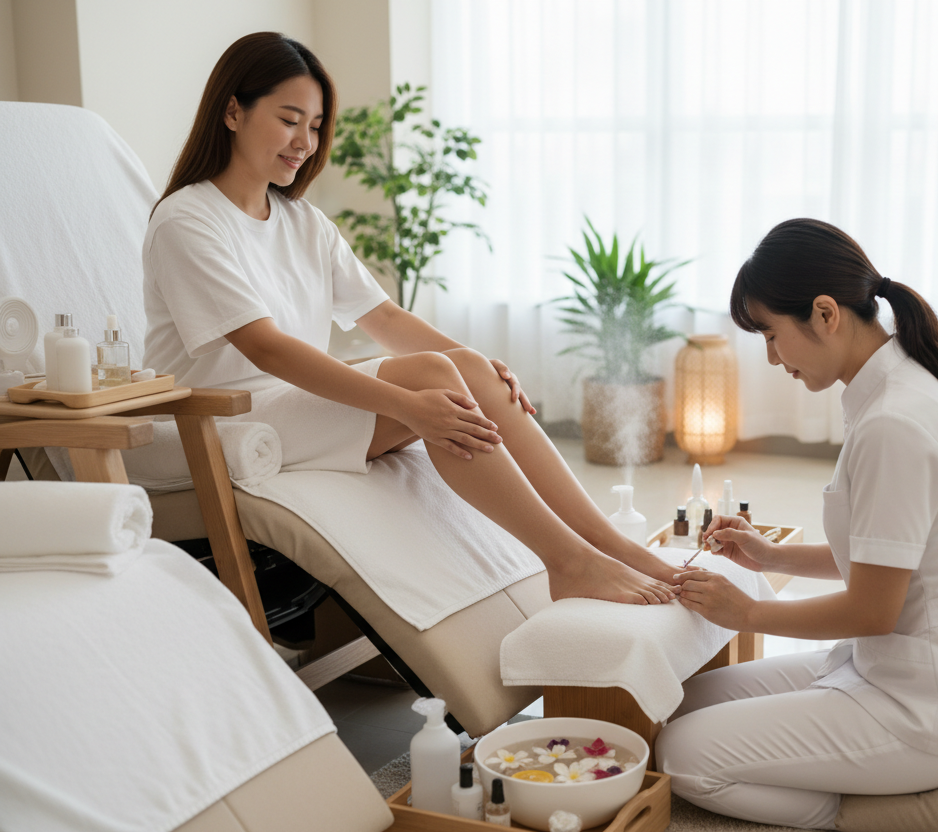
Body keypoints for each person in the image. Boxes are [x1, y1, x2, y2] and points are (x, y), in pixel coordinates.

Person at [142, 32, 678, 605]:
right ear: (232, 110)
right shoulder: (188, 221)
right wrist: (405, 406)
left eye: (316, 125)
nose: (305, 141)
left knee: (464, 368)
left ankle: (610, 545)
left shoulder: (301, 222)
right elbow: (266, 349)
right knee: (428, 379)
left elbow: (384, 317)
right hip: (221, 418)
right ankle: (568, 561)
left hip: (288, 404)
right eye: (289, 119)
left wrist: (479, 367)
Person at [658, 219, 938, 828]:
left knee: (678, 755)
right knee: (678, 704)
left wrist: (747, 613)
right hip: (906, 667)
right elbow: (891, 554)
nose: (772, 357)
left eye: (771, 335)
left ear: (825, 313)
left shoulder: (894, 422)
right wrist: (770, 558)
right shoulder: (895, 386)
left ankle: (851, 816)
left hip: (935, 707)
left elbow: (872, 610)